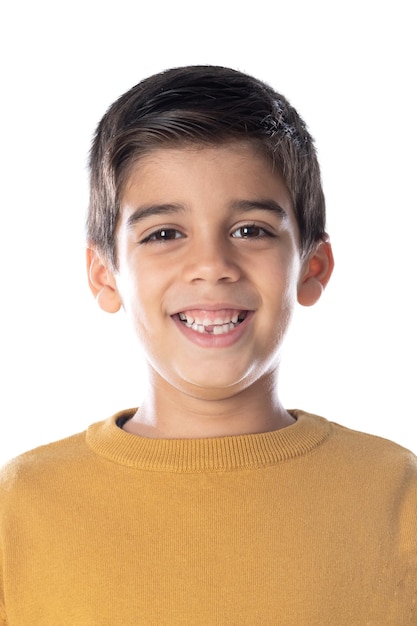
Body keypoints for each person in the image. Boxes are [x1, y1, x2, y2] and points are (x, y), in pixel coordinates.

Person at [0, 65, 416, 625]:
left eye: (251, 230)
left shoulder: (398, 497)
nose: (212, 267)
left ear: (312, 268)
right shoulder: (19, 506)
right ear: (104, 275)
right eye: (164, 234)